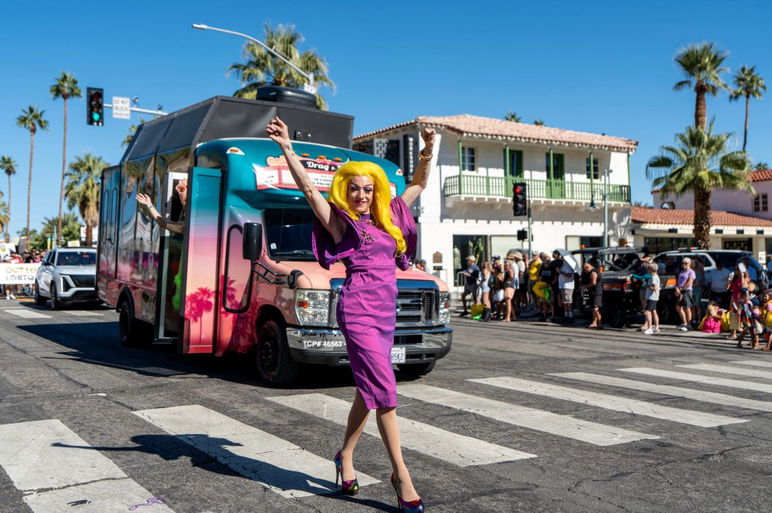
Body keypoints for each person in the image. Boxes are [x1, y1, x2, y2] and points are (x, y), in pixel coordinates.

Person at [266, 116, 430, 511]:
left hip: (385, 311)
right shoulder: (342, 225)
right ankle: (401, 475)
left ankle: (345, 457)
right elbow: (308, 189)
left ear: (375, 190)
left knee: (369, 389)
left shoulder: (390, 216)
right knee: (386, 391)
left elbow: (420, 184)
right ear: (346, 190)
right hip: (356, 310)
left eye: (367, 188)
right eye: (354, 188)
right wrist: (287, 147)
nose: (360, 194)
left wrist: (427, 148)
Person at [675, 257, 695, 331]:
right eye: (683, 263)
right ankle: (684, 323)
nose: (684, 264)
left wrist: (681, 288)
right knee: (678, 307)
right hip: (679, 290)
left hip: (687, 291)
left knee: (687, 308)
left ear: (689, 264)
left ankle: (689, 325)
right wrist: (677, 288)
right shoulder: (681, 272)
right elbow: (678, 281)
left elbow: (690, 282)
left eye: (685, 263)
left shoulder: (691, 272)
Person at [581, 259, 602, 328]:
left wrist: (585, 286)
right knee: (593, 308)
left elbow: (593, 283)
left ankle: (600, 323)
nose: (585, 271)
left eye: (585, 269)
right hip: (593, 292)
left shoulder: (593, 273)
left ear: (588, 267)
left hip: (596, 293)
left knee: (596, 309)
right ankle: (594, 323)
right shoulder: (591, 272)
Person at [641, 262, 660, 335]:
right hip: (654, 297)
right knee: (654, 311)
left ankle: (650, 328)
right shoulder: (654, 276)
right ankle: (657, 327)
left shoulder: (654, 277)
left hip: (652, 297)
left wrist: (647, 286)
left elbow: (654, 287)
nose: (647, 270)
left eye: (648, 269)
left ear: (651, 270)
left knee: (647, 312)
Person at [502, 252, 518, 321]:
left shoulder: (510, 269)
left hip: (509, 286)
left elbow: (512, 276)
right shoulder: (509, 269)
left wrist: (508, 280)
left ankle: (508, 317)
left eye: (506, 263)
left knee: (508, 301)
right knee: (510, 302)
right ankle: (513, 316)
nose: (505, 264)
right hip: (510, 285)